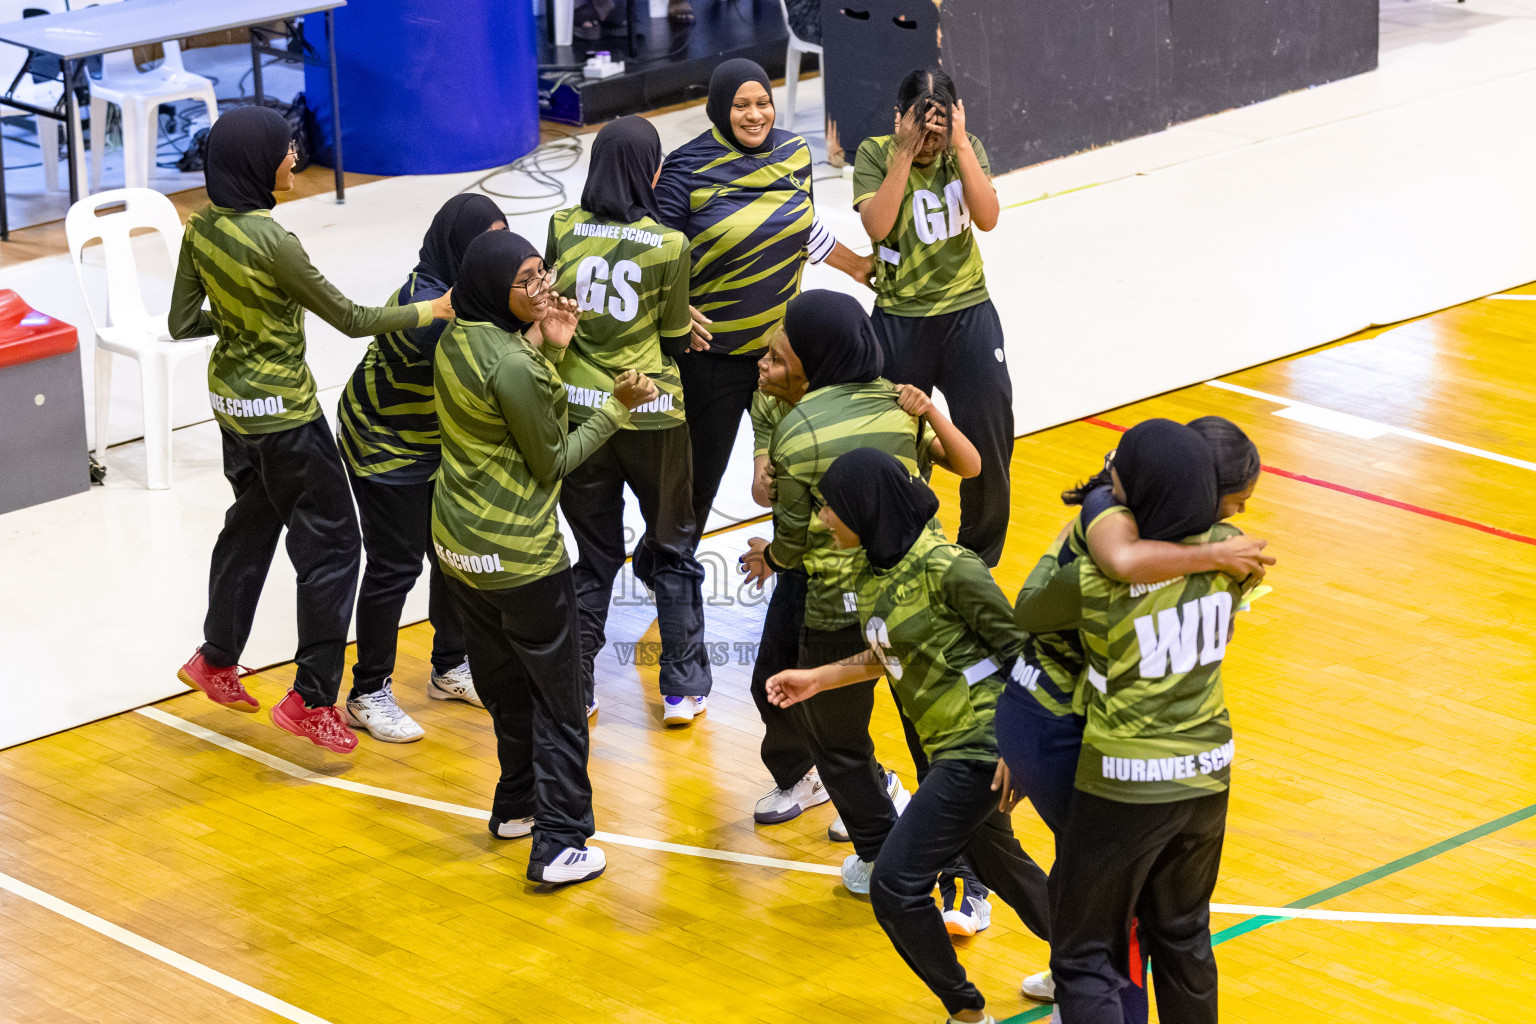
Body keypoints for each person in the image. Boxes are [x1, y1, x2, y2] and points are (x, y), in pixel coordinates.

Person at [170, 105, 454, 753]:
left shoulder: (201, 230)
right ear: (255, 163)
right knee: (334, 548)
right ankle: (313, 699)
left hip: (231, 409)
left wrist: (241, 324)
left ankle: (216, 658)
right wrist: (427, 310)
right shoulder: (274, 242)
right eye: (286, 149)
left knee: (252, 521)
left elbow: (185, 324)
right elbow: (352, 319)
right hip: (285, 416)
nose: (295, 158)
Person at [765, 448, 1051, 1024]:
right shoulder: (873, 571)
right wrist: (818, 678)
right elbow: (893, 651)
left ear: (867, 508)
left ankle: (967, 1012)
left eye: (831, 509)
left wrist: (1020, 749)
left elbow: (1027, 657)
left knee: (894, 885)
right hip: (949, 746)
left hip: (981, 748)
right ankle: (1091, 961)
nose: (823, 520)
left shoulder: (952, 568)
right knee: (1000, 865)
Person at [996, 418, 1270, 1014]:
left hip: (1126, 776)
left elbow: (1032, 611)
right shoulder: (1234, 560)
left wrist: (1089, 523)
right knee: (1183, 934)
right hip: (1208, 770)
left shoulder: (1095, 574)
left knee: (1085, 953)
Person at [431, 229, 658, 886]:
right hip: (519, 557)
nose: (543, 289)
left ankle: (517, 807)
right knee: (560, 702)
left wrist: (546, 348)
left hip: (457, 549)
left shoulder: (459, 339)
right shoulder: (514, 364)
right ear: (495, 290)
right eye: (528, 281)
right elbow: (552, 459)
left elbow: (509, 407)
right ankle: (560, 844)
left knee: (504, 688)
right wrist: (617, 407)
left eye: (542, 274)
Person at [739, 290, 979, 895]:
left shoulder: (797, 430)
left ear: (812, 355)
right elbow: (968, 466)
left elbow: (793, 538)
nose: (774, 354)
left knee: (836, 740)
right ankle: (964, 877)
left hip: (839, 605)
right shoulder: (899, 404)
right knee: (935, 738)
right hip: (920, 596)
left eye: (785, 343)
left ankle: (877, 852)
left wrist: (769, 556)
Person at [656, 58, 875, 548]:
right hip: (711, 357)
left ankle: (794, 566)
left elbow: (802, 227)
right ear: (719, 107)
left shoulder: (795, 153)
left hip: (783, 357)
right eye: (741, 105)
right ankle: (668, 568)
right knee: (696, 482)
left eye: (763, 104)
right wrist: (671, 309)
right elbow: (657, 249)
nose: (755, 115)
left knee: (796, 470)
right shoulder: (686, 167)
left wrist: (859, 267)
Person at [548, 116, 712, 726]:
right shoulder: (669, 244)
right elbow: (673, 335)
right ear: (654, 172)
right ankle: (681, 688)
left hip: (579, 414)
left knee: (593, 556)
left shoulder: (563, 226)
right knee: (671, 546)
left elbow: (551, 303)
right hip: (652, 413)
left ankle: (578, 687)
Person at [334, 193, 507, 743]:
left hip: (432, 440)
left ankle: (449, 667)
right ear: (456, 245)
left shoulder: (471, 295)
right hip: (383, 443)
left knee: (452, 554)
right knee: (395, 565)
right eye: (483, 243)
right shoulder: (430, 308)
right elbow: (492, 369)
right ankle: (367, 692)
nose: (492, 255)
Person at [853, 67, 1011, 567]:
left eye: (937, 133)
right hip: (900, 320)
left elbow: (987, 218)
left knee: (989, 438)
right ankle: (903, 552)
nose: (928, 143)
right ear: (899, 118)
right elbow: (878, 227)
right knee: (895, 446)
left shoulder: (967, 147)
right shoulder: (875, 154)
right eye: (920, 130)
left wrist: (960, 146)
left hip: (969, 312)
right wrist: (905, 152)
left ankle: (976, 562)